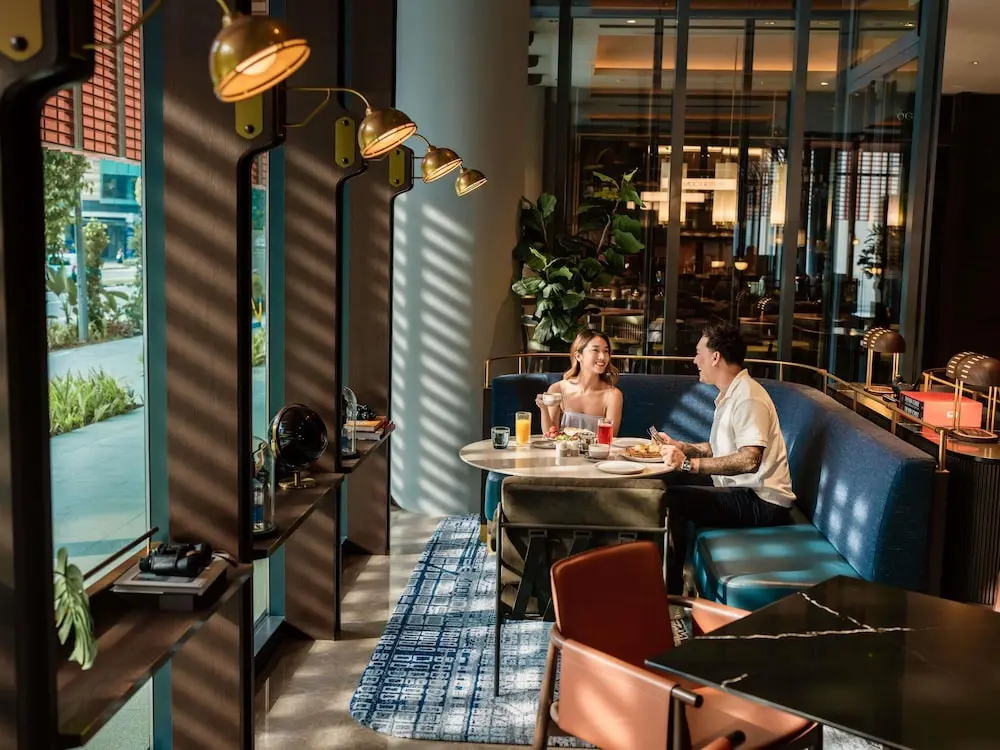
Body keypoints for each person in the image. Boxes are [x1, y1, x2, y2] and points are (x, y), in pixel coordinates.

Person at [658, 321, 795, 594]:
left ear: (716, 357)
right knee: (664, 484)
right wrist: (683, 447)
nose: (695, 360)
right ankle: (671, 583)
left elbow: (749, 460)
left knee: (670, 500)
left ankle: (670, 592)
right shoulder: (732, 393)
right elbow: (718, 448)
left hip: (763, 502)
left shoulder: (748, 398)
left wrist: (688, 464)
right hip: (743, 492)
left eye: (699, 353)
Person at [535, 329, 623, 436]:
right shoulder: (558, 389)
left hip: (597, 447)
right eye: (595, 350)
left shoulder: (613, 395)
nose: (602, 357)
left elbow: (609, 438)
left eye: (606, 351)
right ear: (578, 356)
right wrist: (543, 408)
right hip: (563, 447)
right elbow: (550, 434)